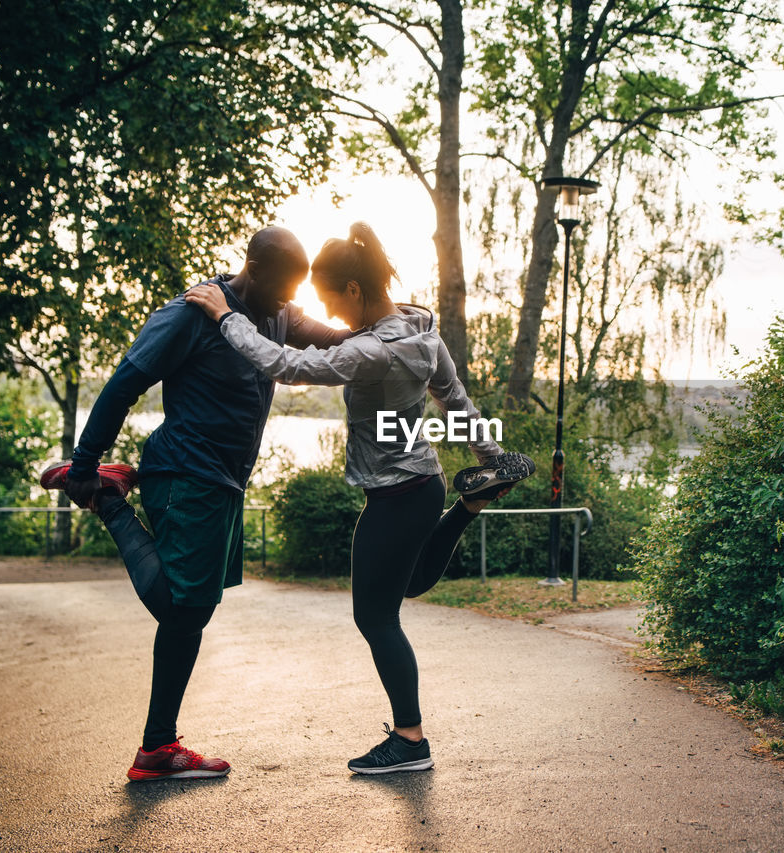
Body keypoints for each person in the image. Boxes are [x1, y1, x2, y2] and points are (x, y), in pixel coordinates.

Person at [185, 221, 535, 775]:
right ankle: (470, 504)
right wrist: (490, 459)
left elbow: (287, 365)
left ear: (352, 289)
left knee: (375, 617)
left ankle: (410, 740)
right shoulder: (422, 330)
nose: (334, 316)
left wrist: (226, 316)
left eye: (331, 301)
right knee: (411, 584)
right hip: (426, 483)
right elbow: (456, 401)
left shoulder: (371, 351)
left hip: (395, 497)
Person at [42, 226, 353, 782]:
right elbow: (122, 384)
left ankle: (157, 749)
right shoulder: (190, 313)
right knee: (184, 611)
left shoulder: (275, 311)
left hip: (223, 483)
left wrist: (388, 321)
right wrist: (86, 468)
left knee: (191, 616)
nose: (286, 302)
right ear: (252, 269)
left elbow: (321, 335)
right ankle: (111, 499)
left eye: (292, 293)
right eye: (279, 288)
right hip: (185, 474)